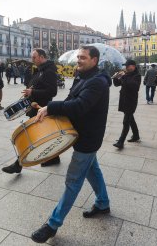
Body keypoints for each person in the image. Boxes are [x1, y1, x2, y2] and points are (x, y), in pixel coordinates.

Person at [30, 45, 111, 243]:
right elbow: (70, 99)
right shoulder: (82, 76)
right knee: (93, 170)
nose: (78, 60)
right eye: (78, 57)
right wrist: (51, 110)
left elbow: (80, 106)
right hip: (81, 133)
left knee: (73, 181)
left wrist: (52, 107)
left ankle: (52, 224)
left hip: (88, 137)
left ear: (94, 60)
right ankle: (103, 203)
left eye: (83, 58)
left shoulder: (97, 82)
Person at [2, 49, 59, 174]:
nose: (32, 60)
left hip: (41, 108)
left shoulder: (49, 71)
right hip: (36, 107)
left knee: (30, 136)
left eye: (34, 57)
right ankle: (54, 158)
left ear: (42, 57)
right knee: (45, 134)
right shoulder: (41, 70)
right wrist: (30, 90)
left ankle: (18, 164)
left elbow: (52, 92)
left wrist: (32, 92)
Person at [112, 59, 141, 149]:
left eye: (128, 66)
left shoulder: (137, 75)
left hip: (131, 101)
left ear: (133, 66)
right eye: (126, 66)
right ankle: (136, 136)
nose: (126, 67)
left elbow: (134, 86)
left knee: (126, 121)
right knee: (130, 119)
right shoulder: (127, 74)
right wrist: (115, 78)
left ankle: (121, 141)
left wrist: (124, 77)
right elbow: (117, 84)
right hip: (124, 100)